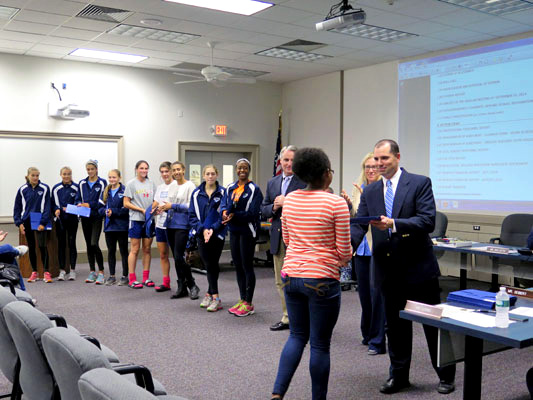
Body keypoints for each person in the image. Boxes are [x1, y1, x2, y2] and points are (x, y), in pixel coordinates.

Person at [350, 139, 456, 395]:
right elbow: (359, 224)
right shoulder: (372, 191)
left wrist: (394, 224)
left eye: (384, 159)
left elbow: (427, 221)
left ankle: (446, 375)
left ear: (397, 157)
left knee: (432, 325)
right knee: (395, 327)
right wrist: (344, 251)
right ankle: (399, 376)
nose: (378, 164)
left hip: (418, 268)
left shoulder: (419, 183)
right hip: (387, 270)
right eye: (376, 159)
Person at [271, 148, 352, 400]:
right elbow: (345, 252)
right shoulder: (336, 203)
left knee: (296, 336)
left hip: (291, 276)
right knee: (319, 344)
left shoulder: (290, 199)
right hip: (321, 280)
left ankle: (277, 395)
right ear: (327, 174)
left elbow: (287, 239)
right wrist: (332, 260)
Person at [344, 153, 386, 356]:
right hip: (361, 247)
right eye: (367, 166)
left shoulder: (385, 190)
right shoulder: (359, 189)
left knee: (376, 293)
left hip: (377, 246)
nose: (370, 170)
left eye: (374, 166)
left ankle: (378, 336)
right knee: (364, 295)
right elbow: (357, 219)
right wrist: (347, 205)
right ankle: (368, 332)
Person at [261, 145, 306, 331]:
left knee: (300, 280)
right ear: (280, 161)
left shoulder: (305, 181)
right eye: (286, 160)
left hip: (299, 240)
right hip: (278, 239)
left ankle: (302, 318)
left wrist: (288, 202)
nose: (289, 164)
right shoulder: (273, 182)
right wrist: (273, 207)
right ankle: (288, 317)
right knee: (281, 280)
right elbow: (262, 209)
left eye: (292, 160)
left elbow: (309, 208)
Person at [221, 158, 263, 317]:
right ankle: (242, 299)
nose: (242, 170)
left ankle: (249, 303)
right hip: (234, 230)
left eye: (245, 168)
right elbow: (224, 205)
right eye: (239, 168)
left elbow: (252, 213)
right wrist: (225, 213)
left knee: (247, 265)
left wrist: (233, 215)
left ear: (249, 170)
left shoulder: (254, 189)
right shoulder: (230, 187)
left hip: (247, 230)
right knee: (237, 265)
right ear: (236, 170)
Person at [189, 165, 227, 312]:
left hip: (217, 234)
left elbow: (224, 214)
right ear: (203, 176)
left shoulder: (223, 192)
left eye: (213, 174)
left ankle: (215, 297)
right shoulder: (196, 193)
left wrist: (212, 229)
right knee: (208, 264)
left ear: (217, 175)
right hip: (201, 234)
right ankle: (210, 293)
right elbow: (191, 216)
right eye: (207, 174)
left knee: (212, 264)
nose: (210, 176)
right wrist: (203, 229)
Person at [165, 161, 198, 299]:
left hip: (182, 225)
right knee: (176, 258)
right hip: (170, 224)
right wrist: (162, 208)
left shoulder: (190, 186)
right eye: (174, 170)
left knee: (179, 256)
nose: (176, 172)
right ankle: (181, 287)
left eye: (179, 169)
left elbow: (191, 206)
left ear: (183, 170)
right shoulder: (172, 185)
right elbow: (168, 203)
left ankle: (192, 284)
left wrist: (173, 205)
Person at [13, 167, 52, 283]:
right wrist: (19, 223)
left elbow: (47, 207)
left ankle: (46, 272)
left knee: (42, 246)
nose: (35, 178)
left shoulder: (45, 188)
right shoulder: (22, 189)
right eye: (33, 175)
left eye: (37, 175)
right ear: (28, 176)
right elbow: (17, 208)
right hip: (27, 221)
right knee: (32, 247)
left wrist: (43, 222)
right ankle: (34, 272)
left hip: (41, 221)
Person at [124, 160, 156, 289]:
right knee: (135, 249)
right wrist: (141, 210)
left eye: (146, 168)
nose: (144, 170)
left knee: (147, 249)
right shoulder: (131, 184)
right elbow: (126, 203)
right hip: (136, 219)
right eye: (141, 168)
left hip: (149, 220)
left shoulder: (151, 183)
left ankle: (145, 278)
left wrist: (151, 209)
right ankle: (132, 279)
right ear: (136, 169)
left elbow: (155, 201)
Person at [78, 160, 107, 284]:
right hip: (85, 217)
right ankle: (92, 271)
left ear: (96, 169)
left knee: (94, 243)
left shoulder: (102, 183)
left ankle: (101, 271)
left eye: (92, 169)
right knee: (89, 245)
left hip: (96, 217)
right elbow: (78, 198)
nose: (90, 171)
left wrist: (89, 204)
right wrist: (79, 204)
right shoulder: (82, 183)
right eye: (88, 169)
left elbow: (103, 200)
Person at [99, 169, 129, 286]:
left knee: (123, 252)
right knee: (111, 251)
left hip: (122, 227)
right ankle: (112, 276)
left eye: (114, 177)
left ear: (119, 178)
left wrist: (114, 212)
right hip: (109, 227)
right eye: (110, 177)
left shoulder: (125, 190)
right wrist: (105, 212)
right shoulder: (106, 191)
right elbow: (99, 208)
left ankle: (125, 276)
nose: (112, 180)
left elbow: (126, 209)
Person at [152, 162, 176, 292]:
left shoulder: (176, 185)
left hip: (174, 225)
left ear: (171, 171)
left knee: (178, 256)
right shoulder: (160, 187)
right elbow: (156, 202)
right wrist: (153, 209)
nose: (165, 174)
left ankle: (184, 282)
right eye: (162, 172)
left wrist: (166, 208)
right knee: (163, 254)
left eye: (167, 171)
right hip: (160, 225)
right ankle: (166, 282)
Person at [52, 166, 79, 281]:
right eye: (64, 174)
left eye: (69, 174)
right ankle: (62, 270)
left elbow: (79, 203)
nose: (66, 176)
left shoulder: (76, 188)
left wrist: (68, 208)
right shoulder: (56, 188)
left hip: (73, 220)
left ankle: (72, 270)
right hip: (60, 221)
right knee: (61, 245)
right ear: (60, 174)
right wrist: (56, 209)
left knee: (72, 244)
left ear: (71, 175)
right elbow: (53, 204)